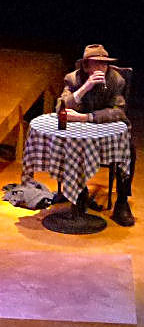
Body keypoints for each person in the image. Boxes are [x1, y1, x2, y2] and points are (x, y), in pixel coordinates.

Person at [57, 43, 136, 226]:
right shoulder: (73, 79)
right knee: (68, 145)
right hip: (80, 135)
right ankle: (78, 193)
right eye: (97, 63)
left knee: (129, 152)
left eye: (104, 63)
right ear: (86, 66)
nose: (102, 68)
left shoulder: (116, 80)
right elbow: (60, 108)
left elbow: (118, 112)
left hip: (105, 132)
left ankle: (122, 202)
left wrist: (86, 117)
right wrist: (85, 87)